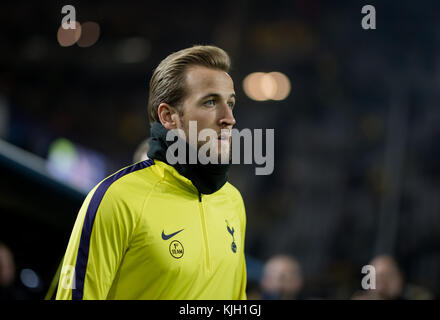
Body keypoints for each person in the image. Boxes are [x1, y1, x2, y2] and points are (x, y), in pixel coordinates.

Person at [56, 45, 247, 300]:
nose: (229, 118)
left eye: (231, 103)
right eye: (210, 102)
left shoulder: (233, 202)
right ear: (168, 116)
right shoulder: (117, 199)